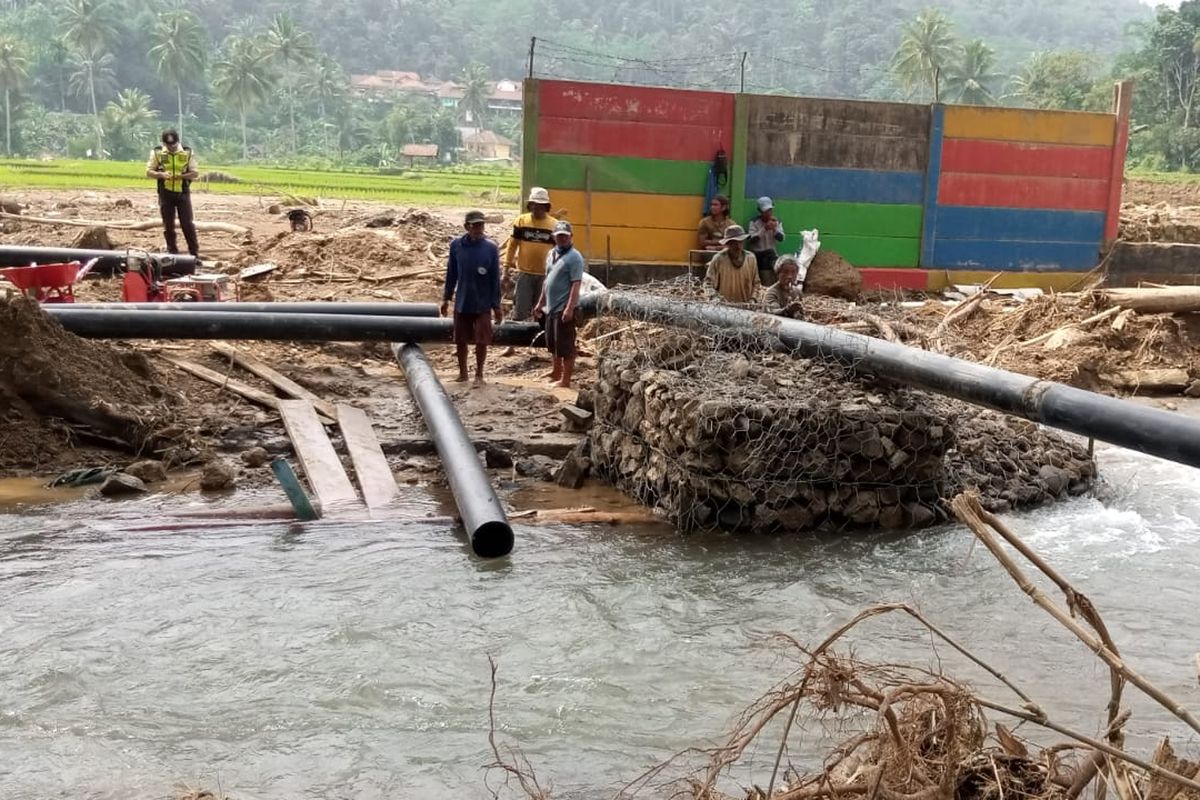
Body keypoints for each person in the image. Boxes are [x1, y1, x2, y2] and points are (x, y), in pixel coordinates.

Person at [441, 210, 503, 385]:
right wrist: (446, 298)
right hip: (463, 300)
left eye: (481, 225)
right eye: (475, 225)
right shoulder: (456, 246)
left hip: (483, 301)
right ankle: (463, 373)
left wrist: (496, 305)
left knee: (482, 339)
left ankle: (479, 373)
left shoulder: (490, 248)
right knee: (461, 339)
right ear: (466, 226)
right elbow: (451, 273)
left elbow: (494, 278)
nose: (478, 229)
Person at [534, 220, 586, 389]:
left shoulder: (575, 257)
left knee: (566, 346)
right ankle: (555, 372)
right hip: (550, 307)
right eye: (559, 236)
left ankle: (565, 380)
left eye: (565, 236)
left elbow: (576, 284)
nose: (562, 239)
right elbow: (547, 280)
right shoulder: (551, 254)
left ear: (571, 237)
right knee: (552, 342)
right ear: (553, 237)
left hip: (563, 307)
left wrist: (570, 308)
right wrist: (540, 302)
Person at [501, 186, 558, 330]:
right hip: (525, 273)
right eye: (533, 205)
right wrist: (506, 269)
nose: (536, 208)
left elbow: (559, 250)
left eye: (540, 206)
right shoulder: (521, 221)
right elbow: (512, 246)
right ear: (530, 205)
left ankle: (541, 341)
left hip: (545, 275)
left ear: (545, 206)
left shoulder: (554, 225)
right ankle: (513, 344)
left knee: (542, 310)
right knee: (520, 309)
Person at [145, 129, 200, 258]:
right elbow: (149, 171)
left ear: (178, 142)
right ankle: (172, 253)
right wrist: (161, 175)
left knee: (187, 224)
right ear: (164, 143)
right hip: (165, 193)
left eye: (174, 145)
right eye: (168, 145)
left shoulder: (187, 152)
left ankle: (194, 254)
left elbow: (195, 173)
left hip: (182, 192)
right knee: (168, 225)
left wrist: (181, 177)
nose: (171, 148)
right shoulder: (158, 153)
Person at [704, 224, 760, 303]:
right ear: (728, 244)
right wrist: (714, 297)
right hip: (724, 307)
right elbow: (708, 284)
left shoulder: (751, 258)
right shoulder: (719, 259)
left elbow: (756, 283)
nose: (737, 246)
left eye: (740, 242)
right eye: (734, 243)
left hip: (746, 307)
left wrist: (753, 299)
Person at [747, 196, 785, 286]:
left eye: (770, 210)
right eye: (765, 211)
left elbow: (781, 238)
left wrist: (774, 229)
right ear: (760, 211)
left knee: (779, 270)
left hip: (771, 253)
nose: (768, 213)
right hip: (758, 254)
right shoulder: (754, 222)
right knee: (765, 278)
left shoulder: (776, 221)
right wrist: (764, 229)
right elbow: (752, 240)